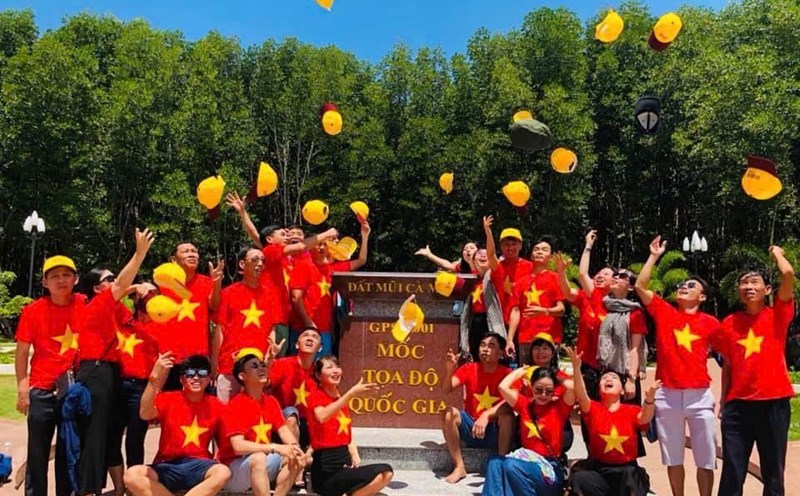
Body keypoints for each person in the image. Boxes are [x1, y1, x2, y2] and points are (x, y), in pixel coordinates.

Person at [635, 236, 722, 496]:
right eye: (682, 285)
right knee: (673, 456)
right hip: (667, 395)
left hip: (699, 395)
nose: (683, 287)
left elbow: (727, 356)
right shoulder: (665, 312)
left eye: (691, 285)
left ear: (702, 296)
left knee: (705, 458)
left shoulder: (711, 323)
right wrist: (653, 256)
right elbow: (640, 286)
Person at [75, 228, 154, 496]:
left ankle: (109, 487)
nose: (115, 281)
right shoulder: (98, 305)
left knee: (104, 432)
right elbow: (122, 285)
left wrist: (140, 292)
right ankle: (88, 489)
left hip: (110, 372)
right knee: (96, 433)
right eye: (109, 279)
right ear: (98, 288)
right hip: (97, 371)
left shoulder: (115, 310)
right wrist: (140, 253)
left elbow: (139, 316)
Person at [716, 246, 795, 496]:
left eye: (754, 282)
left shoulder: (778, 315)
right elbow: (728, 365)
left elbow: (789, 274)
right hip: (738, 406)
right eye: (743, 283)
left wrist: (778, 255)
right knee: (732, 470)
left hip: (774, 404)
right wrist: (723, 399)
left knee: (773, 471)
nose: (748, 286)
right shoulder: (729, 323)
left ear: (767, 290)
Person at [226, 191, 338, 358]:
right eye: (283, 234)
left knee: (279, 360)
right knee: (271, 359)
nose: (288, 235)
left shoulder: (285, 259)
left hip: (284, 318)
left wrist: (243, 213)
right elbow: (261, 237)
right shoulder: (271, 252)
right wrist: (326, 234)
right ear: (271, 240)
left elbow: (257, 236)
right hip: (273, 317)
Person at [15, 255, 86, 496]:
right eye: (54, 276)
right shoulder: (33, 311)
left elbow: (113, 293)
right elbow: (22, 352)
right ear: (44, 282)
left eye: (66, 275)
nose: (61, 280)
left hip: (73, 391)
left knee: (69, 450)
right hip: (41, 390)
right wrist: (23, 389)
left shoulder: (84, 304)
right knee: (37, 452)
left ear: (76, 279)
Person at [124, 354, 230, 496]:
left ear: (209, 379)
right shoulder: (169, 399)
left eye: (202, 374)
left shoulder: (216, 405)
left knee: (223, 472)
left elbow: (229, 439)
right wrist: (153, 378)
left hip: (200, 464)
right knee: (132, 475)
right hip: (167, 465)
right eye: (190, 374)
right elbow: (145, 414)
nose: (196, 378)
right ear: (181, 379)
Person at [566, 347, 658, 496]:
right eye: (604, 378)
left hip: (627, 470)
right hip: (600, 470)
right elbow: (581, 394)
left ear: (622, 390)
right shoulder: (593, 409)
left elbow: (645, 418)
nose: (608, 379)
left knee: (632, 479)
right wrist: (576, 368)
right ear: (598, 389)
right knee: (580, 479)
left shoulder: (631, 410)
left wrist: (649, 400)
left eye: (614, 378)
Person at [217, 350, 304, 496]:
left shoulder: (270, 401)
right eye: (255, 366)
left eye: (262, 365)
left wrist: (294, 448)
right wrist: (275, 447)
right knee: (258, 457)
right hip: (234, 470)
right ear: (242, 376)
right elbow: (238, 447)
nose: (262, 368)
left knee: (295, 457)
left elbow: (283, 430)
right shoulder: (234, 406)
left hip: (262, 463)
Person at [482, 366, 575, 496]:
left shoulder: (559, 408)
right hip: (526, 462)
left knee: (511, 466)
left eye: (548, 391)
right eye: (538, 389)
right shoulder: (524, 404)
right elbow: (502, 387)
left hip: (550, 470)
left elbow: (572, 387)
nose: (543, 395)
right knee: (495, 462)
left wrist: (555, 378)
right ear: (531, 387)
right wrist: (521, 372)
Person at [307, 356, 393, 496]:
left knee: (385, 474)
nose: (335, 371)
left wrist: (354, 454)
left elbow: (346, 430)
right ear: (318, 375)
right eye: (329, 367)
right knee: (383, 470)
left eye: (337, 366)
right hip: (326, 472)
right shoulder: (315, 395)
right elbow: (322, 416)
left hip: (344, 466)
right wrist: (351, 394)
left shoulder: (339, 397)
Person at [289, 221, 371, 357]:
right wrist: (308, 323)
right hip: (303, 329)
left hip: (325, 330)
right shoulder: (303, 266)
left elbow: (361, 261)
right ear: (310, 247)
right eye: (318, 244)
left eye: (325, 245)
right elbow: (296, 298)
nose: (321, 248)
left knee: (322, 371)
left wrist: (365, 236)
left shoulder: (332, 270)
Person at [442, 333, 514, 484]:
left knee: (507, 416)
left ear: (501, 353)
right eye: (483, 345)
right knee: (448, 413)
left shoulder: (507, 374)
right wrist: (449, 369)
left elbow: (511, 403)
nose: (485, 349)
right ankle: (459, 466)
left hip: (495, 430)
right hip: (471, 427)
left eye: (491, 346)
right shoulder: (469, 368)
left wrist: (487, 415)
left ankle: (500, 465)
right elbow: (446, 389)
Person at [211, 246, 273, 403]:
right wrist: (214, 364)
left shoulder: (270, 295)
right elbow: (220, 329)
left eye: (262, 260)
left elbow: (272, 329)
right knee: (226, 415)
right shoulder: (229, 293)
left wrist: (269, 360)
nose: (260, 264)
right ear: (242, 264)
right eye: (254, 260)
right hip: (229, 366)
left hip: (258, 366)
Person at [160, 241, 224, 390]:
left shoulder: (206, 282)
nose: (192, 254)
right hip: (169, 359)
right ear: (173, 259)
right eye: (186, 251)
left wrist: (217, 284)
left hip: (198, 358)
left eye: (194, 251)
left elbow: (214, 306)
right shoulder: (162, 284)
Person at [112, 284, 160, 472]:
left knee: (135, 438)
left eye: (154, 295)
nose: (149, 299)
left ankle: (135, 483)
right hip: (117, 384)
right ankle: (118, 487)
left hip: (142, 388)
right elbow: (110, 299)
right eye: (146, 295)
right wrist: (133, 288)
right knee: (112, 437)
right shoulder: (124, 319)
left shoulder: (162, 326)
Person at [556, 232, 614, 384]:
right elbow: (568, 290)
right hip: (585, 360)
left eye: (606, 274)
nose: (601, 275)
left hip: (608, 361)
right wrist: (561, 272)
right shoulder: (587, 296)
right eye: (599, 273)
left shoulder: (616, 303)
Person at [269, 327, 322, 488]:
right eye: (305, 335)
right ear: (297, 344)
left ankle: (304, 460)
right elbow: (263, 383)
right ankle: (298, 467)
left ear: (320, 347)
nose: (310, 338)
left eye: (314, 337)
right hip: (281, 427)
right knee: (292, 414)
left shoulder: (320, 372)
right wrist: (269, 359)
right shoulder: (283, 364)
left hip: (308, 428)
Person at [507, 238, 564, 365]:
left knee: (548, 378)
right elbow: (515, 311)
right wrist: (510, 339)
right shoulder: (521, 282)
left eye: (544, 250)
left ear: (550, 256)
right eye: (536, 249)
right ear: (531, 255)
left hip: (549, 338)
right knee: (526, 377)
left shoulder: (556, 278)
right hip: (525, 338)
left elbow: (561, 310)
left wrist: (544, 311)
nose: (539, 252)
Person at [459, 216, 506, 360]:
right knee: (475, 357)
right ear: (473, 261)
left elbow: (491, 255)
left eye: (485, 254)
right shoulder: (472, 280)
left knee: (492, 358)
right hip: (475, 323)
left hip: (490, 321)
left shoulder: (495, 274)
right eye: (479, 254)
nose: (482, 255)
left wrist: (488, 231)